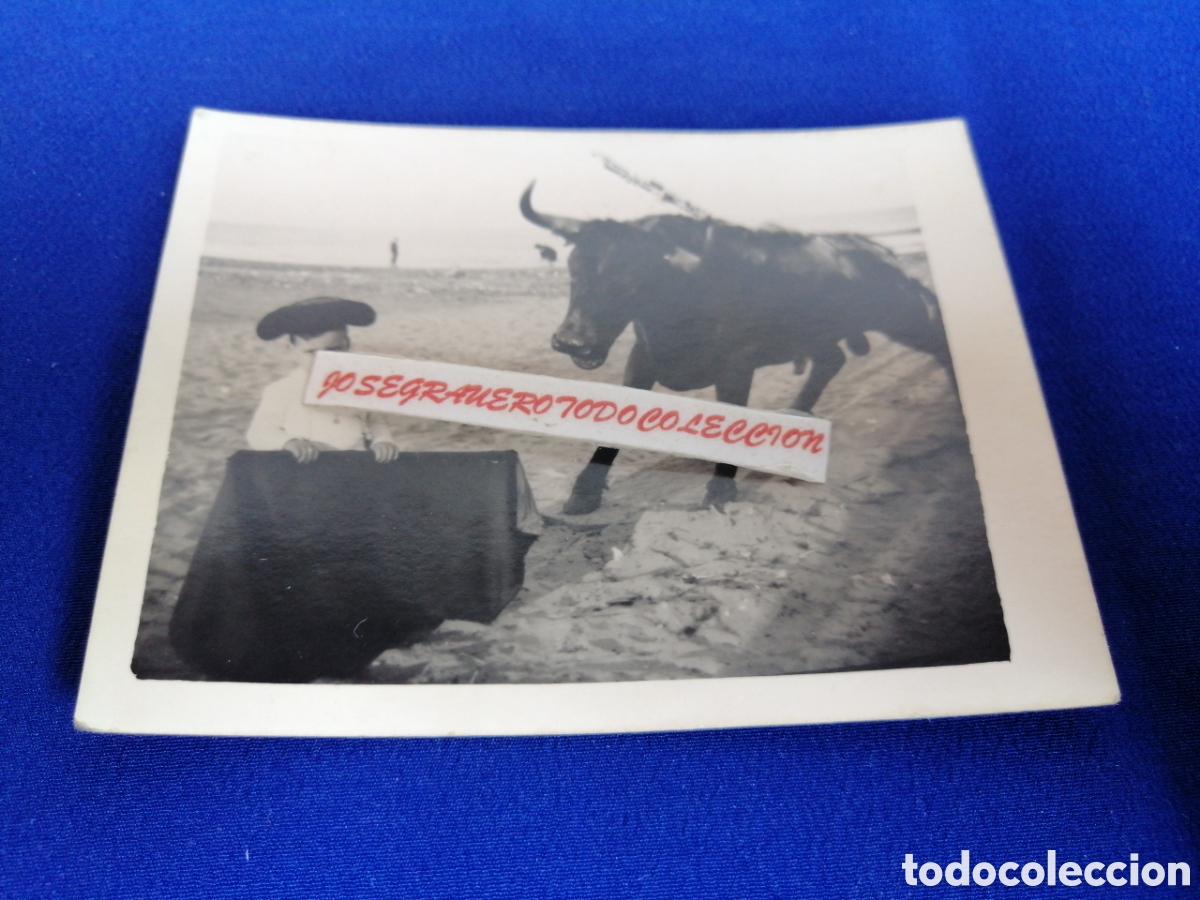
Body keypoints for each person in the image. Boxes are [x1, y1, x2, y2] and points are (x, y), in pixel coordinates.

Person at [246, 297, 400, 463]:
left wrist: (383, 440)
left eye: (334, 350)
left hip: (356, 465)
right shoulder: (283, 390)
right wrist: (288, 442)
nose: (322, 359)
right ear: (293, 350)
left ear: (346, 345)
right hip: (307, 468)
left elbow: (374, 420)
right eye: (311, 352)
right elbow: (259, 432)